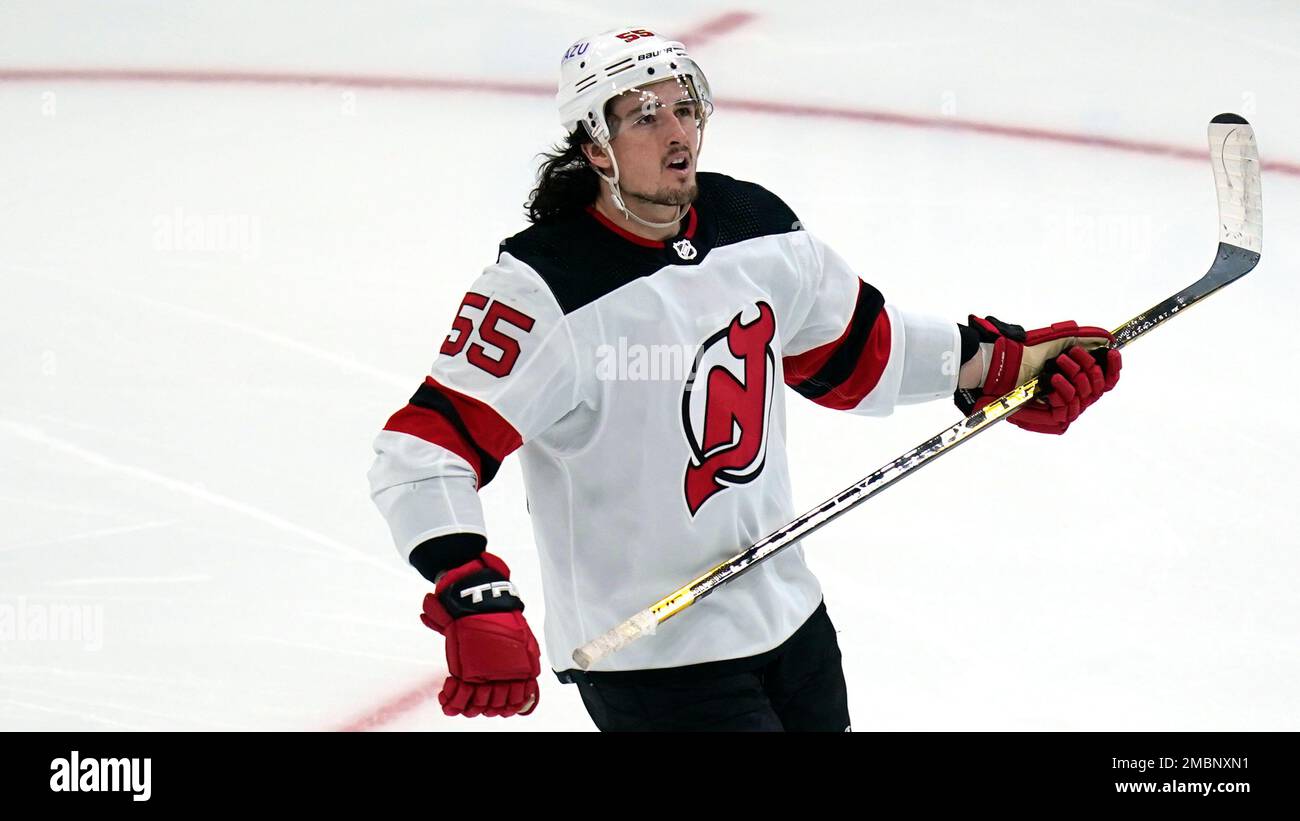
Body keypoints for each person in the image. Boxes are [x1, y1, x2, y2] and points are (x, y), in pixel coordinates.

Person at [367, 26, 1122, 731]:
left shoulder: (751, 225)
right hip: (656, 658)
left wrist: (1003, 366)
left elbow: (862, 351)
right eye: (644, 116)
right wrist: (469, 584)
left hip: (790, 619)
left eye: (683, 109)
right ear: (596, 148)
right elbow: (425, 449)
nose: (675, 133)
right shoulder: (543, 287)